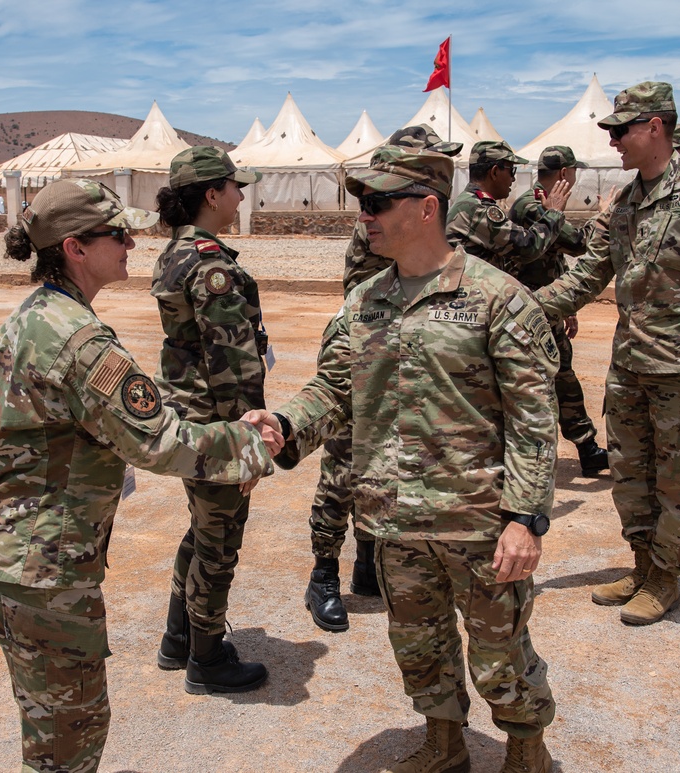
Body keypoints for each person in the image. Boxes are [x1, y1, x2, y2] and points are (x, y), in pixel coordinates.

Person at [259, 146, 561, 772]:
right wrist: (285, 423)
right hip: (395, 520)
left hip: (479, 523)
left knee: (500, 653)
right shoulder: (365, 301)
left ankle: (526, 753)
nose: (362, 216)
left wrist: (524, 518)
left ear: (428, 208)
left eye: (376, 203)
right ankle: (445, 746)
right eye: (359, 203)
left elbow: (534, 421)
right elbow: (334, 389)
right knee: (419, 646)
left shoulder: (498, 299)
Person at [0, 178, 279, 773]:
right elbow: (158, 441)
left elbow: (103, 417)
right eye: (117, 234)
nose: (132, 244)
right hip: (46, 567)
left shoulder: (38, 317)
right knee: (72, 735)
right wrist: (251, 443)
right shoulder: (80, 339)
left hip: (21, 553)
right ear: (74, 249)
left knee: (52, 730)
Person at [534, 81, 680, 625]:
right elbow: (589, 273)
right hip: (630, 366)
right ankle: (642, 565)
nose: (613, 141)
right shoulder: (628, 200)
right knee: (630, 478)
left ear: (655, 126)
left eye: (621, 130)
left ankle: (665, 578)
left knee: (679, 483)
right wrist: (519, 306)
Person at [305, 124, 464, 633]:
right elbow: (368, 295)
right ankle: (324, 574)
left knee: (388, 461)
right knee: (345, 464)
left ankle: (367, 562)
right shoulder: (381, 218)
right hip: (370, 350)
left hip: (416, 358)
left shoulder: (432, 215)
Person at [151, 146, 271, 694]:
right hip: (217, 422)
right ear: (211, 194)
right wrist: (247, 444)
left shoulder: (176, 253)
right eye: (234, 186)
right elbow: (233, 364)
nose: (241, 196)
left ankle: (179, 638)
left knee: (202, 528)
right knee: (220, 540)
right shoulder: (212, 264)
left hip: (186, 415)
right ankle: (206, 658)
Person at [508, 145, 609, 477]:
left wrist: (568, 305)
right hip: (530, 309)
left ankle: (587, 448)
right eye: (574, 173)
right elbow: (578, 242)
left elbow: (554, 255)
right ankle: (546, 454)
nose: (576, 178)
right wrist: (606, 214)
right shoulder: (532, 206)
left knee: (563, 376)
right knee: (544, 380)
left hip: (549, 306)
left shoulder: (544, 204)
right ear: (565, 174)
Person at [445, 139, 571, 277]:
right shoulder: (477, 208)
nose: (513, 179)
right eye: (511, 171)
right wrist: (554, 213)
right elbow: (528, 247)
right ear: (494, 172)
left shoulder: (470, 201)